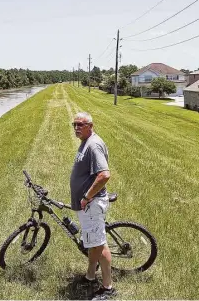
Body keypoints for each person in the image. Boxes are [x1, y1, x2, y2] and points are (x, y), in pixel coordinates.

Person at [70, 112, 117, 300]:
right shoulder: (86, 142)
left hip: (92, 204)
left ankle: (108, 288)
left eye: (80, 124)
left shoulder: (94, 144)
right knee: (95, 243)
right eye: (74, 124)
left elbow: (104, 175)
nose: (76, 128)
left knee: (99, 244)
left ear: (90, 125)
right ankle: (90, 276)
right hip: (88, 205)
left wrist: (87, 197)